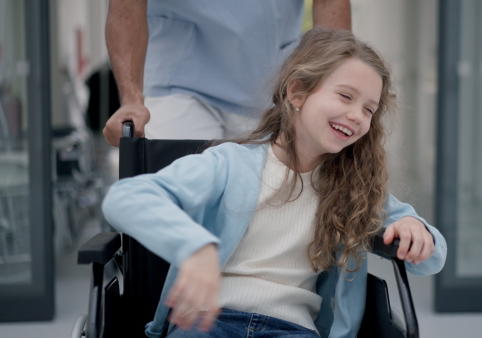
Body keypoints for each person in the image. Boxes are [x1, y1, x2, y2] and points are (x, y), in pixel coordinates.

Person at [102, 29, 447, 338]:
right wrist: (195, 246)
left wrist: (415, 227)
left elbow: (430, 260)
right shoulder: (229, 165)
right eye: (345, 97)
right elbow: (125, 199)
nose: (358, 115)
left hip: (293, 329)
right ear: (297, 92)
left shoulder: (355, 188)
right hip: (208, 322)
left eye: (369, 110)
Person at [103, 0, 352, 146]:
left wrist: (333, 88)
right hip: (179, 79)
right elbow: (127, 5)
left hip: (272, 78)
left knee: (268, 206)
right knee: (185, 196)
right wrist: (131, 99)